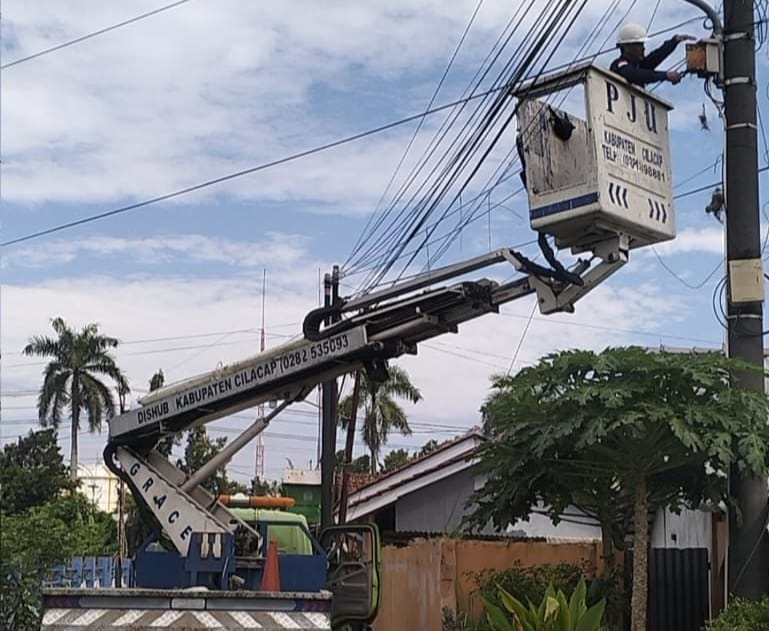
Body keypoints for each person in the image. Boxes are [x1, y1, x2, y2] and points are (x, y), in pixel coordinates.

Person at [610, 23, 695, 87]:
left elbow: (655, 57)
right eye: (639, 45)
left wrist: (674, 42)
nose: (643, 48)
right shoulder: (619, 65)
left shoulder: (638, 66)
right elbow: (637, 75)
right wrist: (665, 75)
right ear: (627, 47)